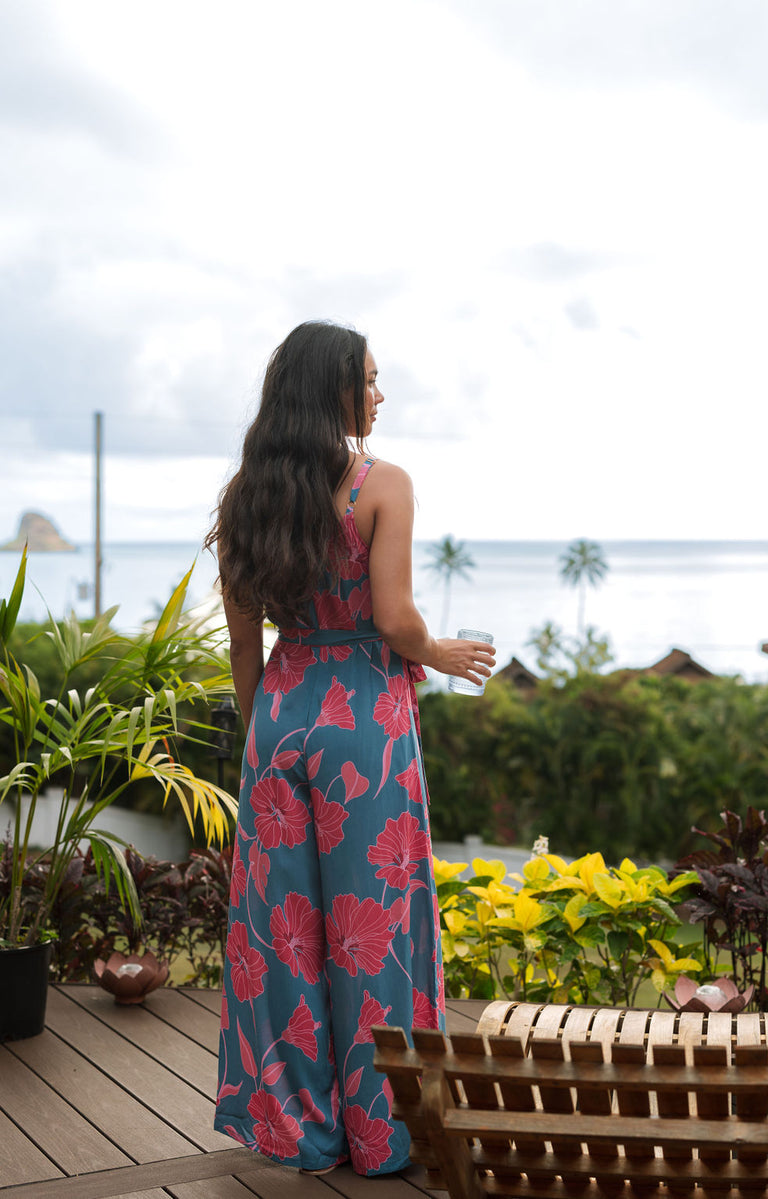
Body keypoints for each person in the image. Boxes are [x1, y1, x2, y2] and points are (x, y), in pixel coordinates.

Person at [206, 320, 495, 1177]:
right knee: (375, 931)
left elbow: (244, 646)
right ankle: (385, 1133)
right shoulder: (382, 484)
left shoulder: (245, 496)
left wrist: (265, 736)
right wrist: (438, 652)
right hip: (363, 720)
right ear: (331, 390)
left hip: (280, 717)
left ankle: (303, 1130)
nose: (378, 395)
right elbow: (394, 618)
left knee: (285, 936)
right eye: (368, 380)